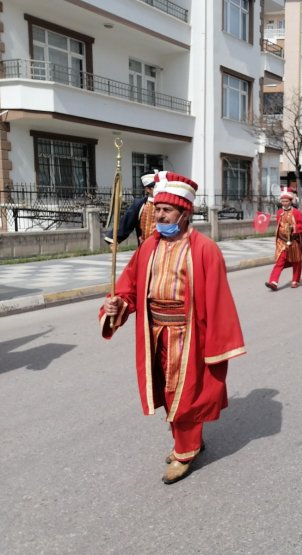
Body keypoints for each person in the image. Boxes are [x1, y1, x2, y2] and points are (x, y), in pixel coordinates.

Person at [100, 171, 246, 485]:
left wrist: (216, 346)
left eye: (166, 210)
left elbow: (219, 301)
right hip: (155, 333)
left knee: (185, 395)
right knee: (167, 393)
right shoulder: (148, 247)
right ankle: (189, 441)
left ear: (184, 213)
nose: (159, 214)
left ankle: (185, 452)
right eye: (158, 208)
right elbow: (129, 289)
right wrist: (117, 306)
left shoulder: (205, 249)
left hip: (189, 334)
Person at [266, 188, 302, 290]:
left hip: (294, 241)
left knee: (296, 261)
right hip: (282, 241)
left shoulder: (296, 213)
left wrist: (294, 228)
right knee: (280, 261)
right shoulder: (279, 212)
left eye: (286, 201)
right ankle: (273, 282)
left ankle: (295, 280)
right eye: (283, 201)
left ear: (290, 201)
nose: (284, 203)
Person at [105, 172, 157, 247]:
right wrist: (114, 239)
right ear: (148, 189)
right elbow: (126, 222)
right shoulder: (140, 205)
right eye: (156, 187)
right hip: (145, 248)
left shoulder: (169, 203)